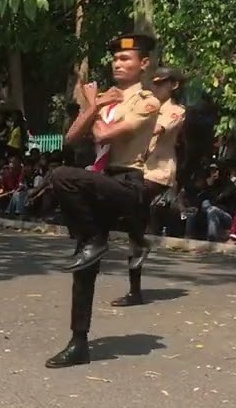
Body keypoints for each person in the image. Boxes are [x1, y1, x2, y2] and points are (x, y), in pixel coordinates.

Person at [45, 33, 161, 368]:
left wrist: (94, 107)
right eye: (115, 59)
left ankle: (108, 239)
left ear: (144, 64)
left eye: (126, 59)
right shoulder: (104, 99)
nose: (118, 63)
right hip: (100, 179)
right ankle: (78, 342)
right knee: (84, 266)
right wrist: (94, 104)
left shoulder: (146, 101)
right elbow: (70, 138)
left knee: (62, 175)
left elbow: (103, 135)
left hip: (127, 183)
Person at [114, 65, 185, 307]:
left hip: (158, 173)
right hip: (137, 170)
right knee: (135, 230)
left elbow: (154, 130)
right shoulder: (145, 106)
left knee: (131, 201)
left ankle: (140, 241)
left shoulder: (175, 111)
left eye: (161, 83)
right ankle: (135, 290)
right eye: (153, 83)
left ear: (173, 85)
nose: (155, 87)